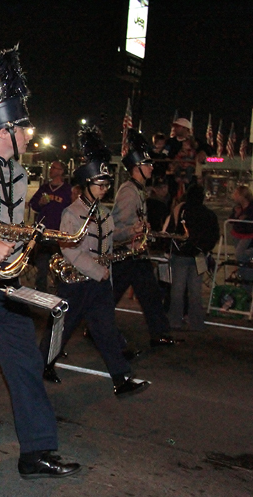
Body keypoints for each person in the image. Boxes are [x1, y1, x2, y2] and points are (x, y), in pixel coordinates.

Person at [0, 44, 80, 480]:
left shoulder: (19, 173)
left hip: (8, 287)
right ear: (7, 129)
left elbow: (5, 224)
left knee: (26, 367)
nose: (30, 135)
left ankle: (37, 452)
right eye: (26, 128)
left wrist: (24, 240)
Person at [40, 126, 150, 397]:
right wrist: (97, 270)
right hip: (77, 282)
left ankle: (121, 379)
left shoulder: (104, 212)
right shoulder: (71, 213)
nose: (104, 189)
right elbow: (70, 249)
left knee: (106, 330)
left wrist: (131, 232)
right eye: (100, 185)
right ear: (86, 184)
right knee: (62, 328)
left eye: (106, 185)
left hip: (99, 282)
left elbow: (111, 239)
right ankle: (42, 365)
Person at [112, 129, 179, 347]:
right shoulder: (129, 192)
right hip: (125, 253)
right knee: (113, 295)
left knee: (148, 294)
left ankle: (159, 332)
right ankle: (97, 327)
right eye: (147, 164)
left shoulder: (138, 190)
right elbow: (117, 228)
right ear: (137, 167)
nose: (151, 168)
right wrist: (134, 230)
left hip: (135, 253)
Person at [166, 185, 219, 331]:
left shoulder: (181, 210)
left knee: (177, 289)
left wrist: (169, 249)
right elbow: (214, 235)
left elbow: (171, 230)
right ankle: (196, 322)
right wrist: (205, 249)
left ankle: (175, 320)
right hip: (199, 256)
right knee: (195, 291)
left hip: (181, 254)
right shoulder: (208, 214)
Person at [28, 160, 72, 291]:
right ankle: (40, 290)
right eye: (51, 167)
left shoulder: (67, 190)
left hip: (59, 233)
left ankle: (60, 290)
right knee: (42, 264)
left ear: (61, 171)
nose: (51, 170)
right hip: (44, 231)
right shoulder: (45, 188)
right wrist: (40, 203)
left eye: (54, 168)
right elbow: (33, 205)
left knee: (59, 264)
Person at [230, 185, 253, 282]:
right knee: (243, 261)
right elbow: (231, 220)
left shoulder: (251, 208)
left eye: (236, 194)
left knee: (239, 254)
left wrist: (245, 218)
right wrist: (236, 214)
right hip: (237, 233)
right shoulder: (237, 207)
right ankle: (245, 281)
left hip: (248, 234)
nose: (234, 196)